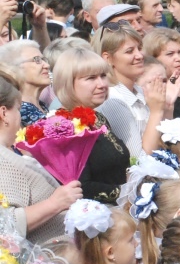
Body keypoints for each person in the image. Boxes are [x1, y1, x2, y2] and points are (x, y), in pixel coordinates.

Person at [0, 69, 81, 242]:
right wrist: (56, 202)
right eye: (19, 109)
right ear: (4, 113)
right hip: (42, 263)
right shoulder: (2, 159)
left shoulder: (6, 154)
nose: (20, 117)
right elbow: (5, 225)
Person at [51, 48, 132, 203]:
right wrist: (127, 191)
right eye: (91, 78)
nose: (102, 84)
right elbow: (80, 187)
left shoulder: (97, 117)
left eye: (103, 76)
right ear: (68, 82)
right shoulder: (62, 126)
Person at [94, 23, 177, 159]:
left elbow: (166, 142)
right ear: (107, 58)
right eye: (129, 51)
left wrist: (167, 108)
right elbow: (138, 160)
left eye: (139, 48)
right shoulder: (113, 99)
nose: (139, 55)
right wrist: (156, 112)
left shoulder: (139, 90)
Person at [0, 40, 51, 125]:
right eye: (37, 60)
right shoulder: (19, 112)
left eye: (43, 59)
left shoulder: (42, 105)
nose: (47, 65)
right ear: (14, 67)